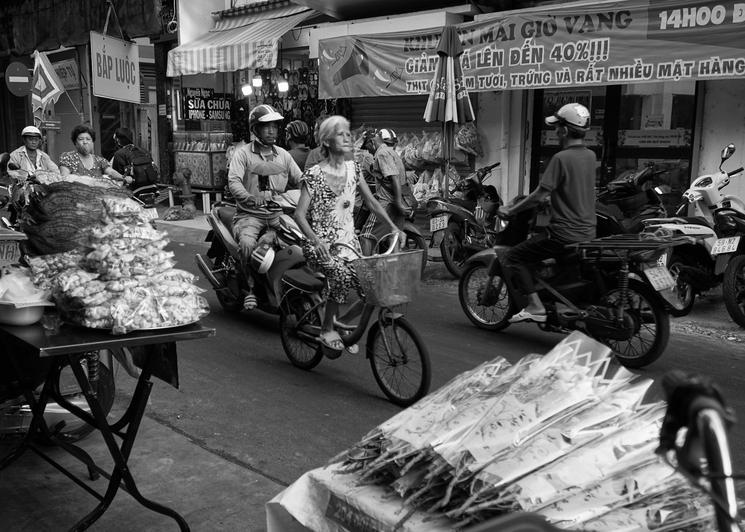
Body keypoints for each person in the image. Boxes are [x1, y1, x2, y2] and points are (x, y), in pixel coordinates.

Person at [294, 115, 401, 353]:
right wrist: (316, 241)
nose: (347, 137)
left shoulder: (354, 169)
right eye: (340, 133)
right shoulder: (314, 175)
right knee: (341, 277)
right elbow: (299, 215)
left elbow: (372, 203)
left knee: (371, 290)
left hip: (349, 244)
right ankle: (326, 330)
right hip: (320, 244)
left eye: (347, 132)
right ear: (327, 141)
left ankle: (337, 321)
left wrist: (394, 228)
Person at [496, 102, 596, 323]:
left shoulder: (561, 158)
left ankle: (535, 306)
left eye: (557, 127)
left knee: (513, 256)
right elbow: (573, 188)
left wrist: (511, 210)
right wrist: (553, 200)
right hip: (587, 231)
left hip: (563, 233)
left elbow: (540, 193)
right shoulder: (590, 156)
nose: (555, 131)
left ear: (565, 130)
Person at [228, 104, 303, 309]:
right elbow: (233, 181)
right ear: (255, 129)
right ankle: (250, 287)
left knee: (299, 242)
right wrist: (249, 197)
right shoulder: (242, 154)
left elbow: (301, 180)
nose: (272, 131)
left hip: (278, 214)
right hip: (249, 214)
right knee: (247, 245)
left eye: (275, 127)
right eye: (266, 127)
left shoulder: (283, 155)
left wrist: (315, 189)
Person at [358, 128, 408, 255]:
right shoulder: (391, 152)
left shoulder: (382, 154)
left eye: (367, 146)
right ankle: (395, 269)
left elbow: (394, 178)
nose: (367, 150)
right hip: (399, 200)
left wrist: (397, 202)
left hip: (387, 203)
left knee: (366, 236)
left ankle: (367, 271)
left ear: (371, 142)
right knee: (394, 236)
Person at [58, 124, 126, 183]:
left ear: (92, 142)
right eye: (81, 139)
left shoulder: (99, 160)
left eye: (88, 139)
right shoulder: (68, 157)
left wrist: (123, 178)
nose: (85, 142)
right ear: (75, 142)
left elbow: (111, 172)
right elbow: (65, 178)